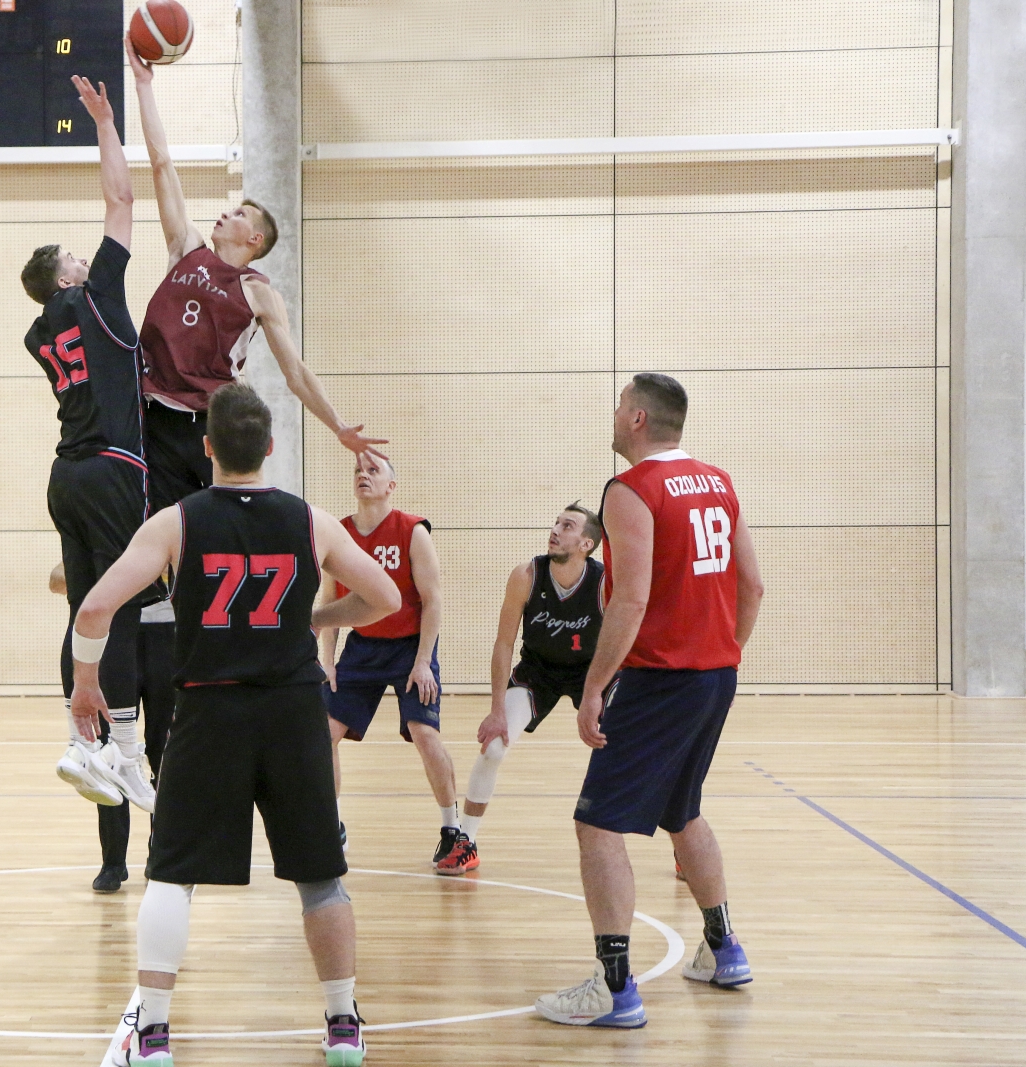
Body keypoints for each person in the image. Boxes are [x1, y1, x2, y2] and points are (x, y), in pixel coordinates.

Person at [71, 383, 399, 1067]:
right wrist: (322, 619)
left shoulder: (177, 522)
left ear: (208, 446)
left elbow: (95, 610)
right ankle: (343, 1020)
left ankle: (154, 1030)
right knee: (321, 877)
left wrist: (85, 684)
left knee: (170, 875)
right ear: (271, 449)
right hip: (293, 711)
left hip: (210, 710)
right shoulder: (313, 523)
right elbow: (387, 597)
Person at [534, 374, 764, 1029]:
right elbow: (754, 583)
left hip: (661, 678)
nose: (611, 417)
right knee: (680, 808)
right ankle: (725, 950)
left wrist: (595, 686)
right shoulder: (718, 482)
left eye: (616, 407)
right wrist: (725, 649)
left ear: (637, 418)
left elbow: (630, 599)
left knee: (597, 823)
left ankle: (614, 987)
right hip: (714, 673)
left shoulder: (630, 490)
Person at [126, 38, 387, 514]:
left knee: (214, 535)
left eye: (240, 213)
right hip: (154, 416)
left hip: (213, 425)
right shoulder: (187, 247)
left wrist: (338, 427)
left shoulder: (257, 292)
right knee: (159, 540)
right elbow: (161, 164)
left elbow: (295, 373)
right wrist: (144, 86)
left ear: (255, 241)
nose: (227, 212)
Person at [20, 75, 156, 827]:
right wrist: (106, 123)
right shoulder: (96, 295)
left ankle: (80, 735)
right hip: (111, 467)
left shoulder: (40, 331)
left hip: (63, 475)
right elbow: (122, 202)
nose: (86, 257)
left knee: (84, 606)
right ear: (67, 277)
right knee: (123, 602)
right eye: (75, 257)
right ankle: (126, 749)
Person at [449, 504, 605, 876]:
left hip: (592, 672)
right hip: (538, 672)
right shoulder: (526, 575)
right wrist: (496, 708)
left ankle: (680, 843)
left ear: (586, 543)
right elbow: (504, 644)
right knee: (494, 747)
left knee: (639, 749)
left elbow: (624, 639)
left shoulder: (605, 582)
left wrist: (601, 690)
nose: (555, 529)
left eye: (567, 526)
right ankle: (466, 842)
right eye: (555, 522)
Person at [318, 454, 456, 870]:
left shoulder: (412, 531)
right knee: (324, 734)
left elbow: (433, 601)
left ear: (391, 487)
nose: (363, 474)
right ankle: (332, 826)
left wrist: (422, 662)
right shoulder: (338, 534)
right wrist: (327, 660)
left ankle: (453, 831)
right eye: (358, 471)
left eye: (373, 471)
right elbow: (330, 604)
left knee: (424, 733)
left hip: (411, 646)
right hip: (363, 647)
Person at [49, 563, 175, 894]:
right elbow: (58, 579)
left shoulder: (168, 524)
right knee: (108, 750)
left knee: (165, 750)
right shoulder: (108, 536)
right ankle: (113, 861)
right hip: (115, 639)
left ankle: (160, 855)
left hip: (167, 638)